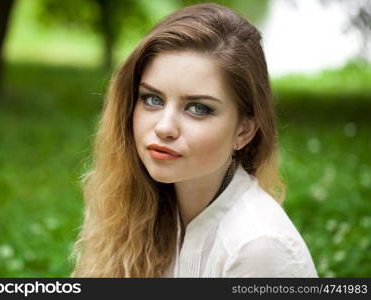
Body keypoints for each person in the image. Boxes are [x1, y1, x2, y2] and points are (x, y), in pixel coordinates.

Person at [71, 2, 318, 278]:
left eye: (198, 108)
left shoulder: (259, 249)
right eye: (152, 99)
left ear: (244, 131)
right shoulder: (145, 211)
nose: (165, 128)